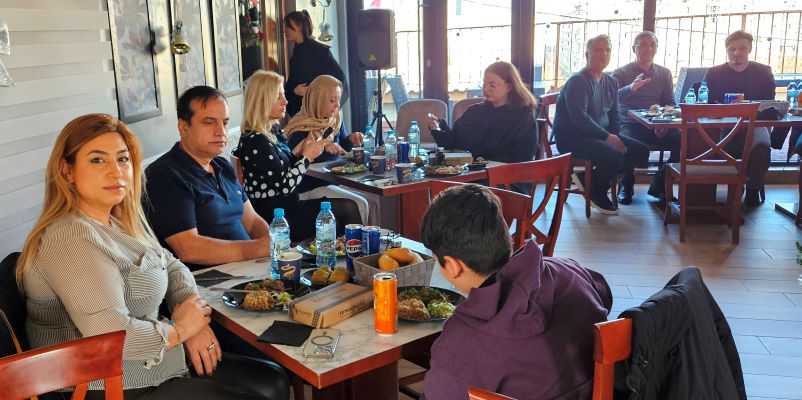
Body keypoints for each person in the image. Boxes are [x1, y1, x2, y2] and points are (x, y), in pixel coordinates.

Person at [17, 114, 289, 400]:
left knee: (274, 381)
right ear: (67, 171)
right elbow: (114, 337)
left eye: (122, 159)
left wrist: (191, 317)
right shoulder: (70, 236)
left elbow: (173, 267)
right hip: (105, 385)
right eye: (98, 160)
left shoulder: (119, 221)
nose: (115, 171)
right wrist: (181, 330)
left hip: (157, 362)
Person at [419, 184, 612, 400]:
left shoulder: (461, 340)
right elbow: (605, 298)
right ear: (505, 237)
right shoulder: (568, 270)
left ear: (454, 266)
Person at [145, 86, 272, 271]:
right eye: (209, 122)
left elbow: (252, 222)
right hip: (209, 280)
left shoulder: (222, 166)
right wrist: (257, 249)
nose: (221, 131)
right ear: (183, 127)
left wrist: (272, 243)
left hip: (251, 268)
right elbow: (189, 249)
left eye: (225, 123)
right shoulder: (165, 176)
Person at [234, 70, 362, 241]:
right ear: (262, 101)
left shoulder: (271, 132)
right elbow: (285, 186)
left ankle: (348, 255)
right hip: (278, 217)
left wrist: (307, 152)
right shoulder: (255, 140)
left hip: (289, 207)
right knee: (347, 209)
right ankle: (358, 256)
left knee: (345, 211)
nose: (285, 101)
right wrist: (306, 157)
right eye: (278, 96)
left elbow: (287, 167)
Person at [552, 34, 650, 215]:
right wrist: (608, 138)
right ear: (587, 55)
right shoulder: (578, 81)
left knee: (641, 152)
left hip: (599, 136)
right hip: (573, 138)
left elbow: (615, 115)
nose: (603, 54)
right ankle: (598, 191)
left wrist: (614, 136)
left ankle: (589, 180)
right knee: (614, 155)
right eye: (598, 50)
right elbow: (579, 118)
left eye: (607, 50)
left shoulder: (611, 81)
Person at [283, 75, 371, 225]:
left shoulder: (334, 120)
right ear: (318, 100)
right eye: (332, 100)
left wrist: (351, 139)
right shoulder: (301, 126)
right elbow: (294, 161)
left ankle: (360, 237)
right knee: (360, 204)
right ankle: (355, 239)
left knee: (370, 201)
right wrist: (323, 146)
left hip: (332, 181)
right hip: (308, 187)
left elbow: (342, 145)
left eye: (339, 99)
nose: (337, 105)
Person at [704, 30, 778, 207]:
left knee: (762, 147)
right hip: (723, 125)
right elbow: (707, 105)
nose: (737, 53)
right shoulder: (714, 73)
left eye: (742, 48)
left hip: (756, 124)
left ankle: (752, 189)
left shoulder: (763, 72)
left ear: (750, 49)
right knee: (703, 145)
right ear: (726, 51)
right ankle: (710, 194)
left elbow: (769, 105)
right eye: (732, 49)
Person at [612, 31, 681, 204]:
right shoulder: (621, 73)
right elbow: (610, 98)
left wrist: (664, 123)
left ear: (656, 49)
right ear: (634, 49)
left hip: (656, 123)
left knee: (684, 140)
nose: (647, 48)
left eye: (652, 45)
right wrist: (630, 88)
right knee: (625, 141)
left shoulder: (664, 73)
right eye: (642, 44)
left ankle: (660, 182)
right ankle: (626, 183)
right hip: (630, 123)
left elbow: (670, 102)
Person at [426, 61, 538, 164]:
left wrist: (480, 162)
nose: (486, 89)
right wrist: (439, 129)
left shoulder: (522, 117)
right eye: (484, 84)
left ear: (509, 87)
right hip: (468, 171)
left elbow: (522, 157)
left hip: (502, 175)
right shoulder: (474, 111)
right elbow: (454, 145)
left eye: (492, 85)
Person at [283, 10, 348, 118]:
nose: (284, 30)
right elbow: (291, 85)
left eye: (287, 26)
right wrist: (295, 91)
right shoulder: (296, 54)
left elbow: (340, 80)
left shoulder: (320, 51)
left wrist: (321, 97)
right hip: (305, 115)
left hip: (321, 114)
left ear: (298, 26)